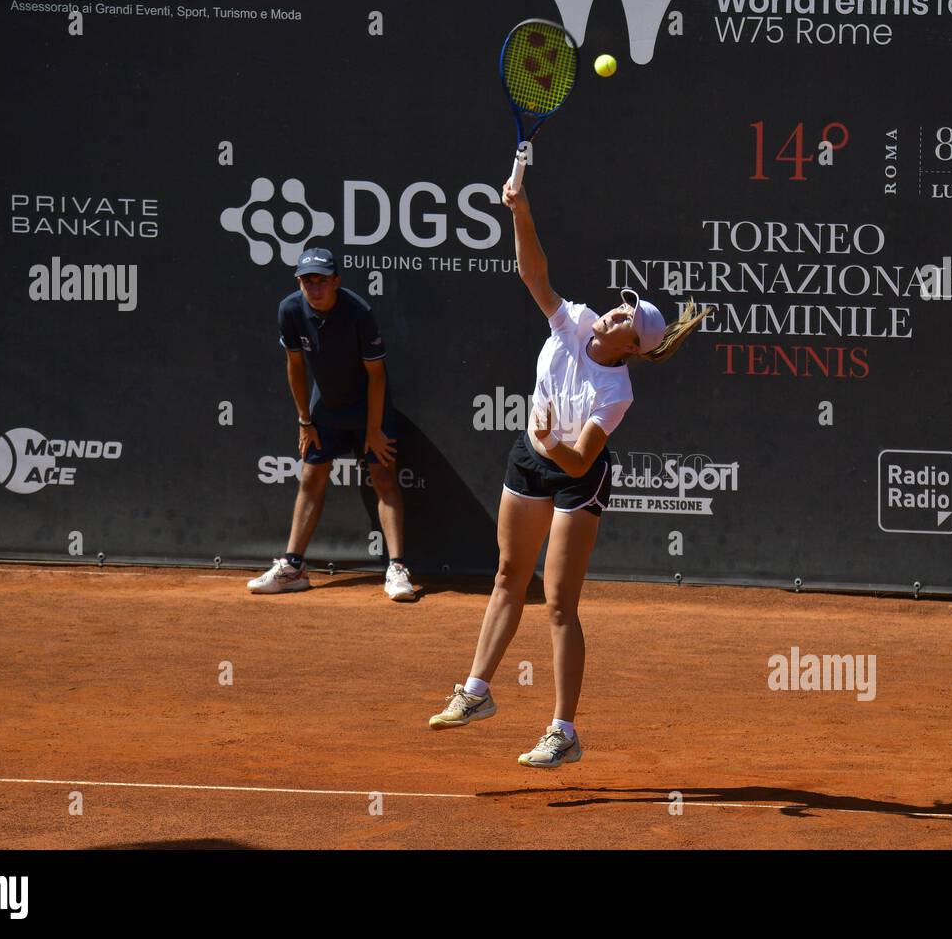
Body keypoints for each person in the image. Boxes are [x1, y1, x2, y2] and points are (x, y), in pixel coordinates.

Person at [427, 182, 704, 766]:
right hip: (530, 458)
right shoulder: (573, 325)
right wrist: (522, 210)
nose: (614, 310)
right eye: (619, 304)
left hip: (577, 474)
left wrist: (549, 438)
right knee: (508, 574)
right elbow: (535, 276)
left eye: (626, 315)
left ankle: (564, 731)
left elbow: (578, 459)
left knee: (558, 603)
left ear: (632, 345)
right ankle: (476, 693)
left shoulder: (616, 389)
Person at [247, 247, 415, 602]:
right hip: (326, 406)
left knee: (383, 475)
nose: (315, 287)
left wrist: (373, 429)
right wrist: (304, 420)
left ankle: (397, 568)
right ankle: (293, 567)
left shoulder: (359, 313)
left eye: (322, 280)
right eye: (307, 280)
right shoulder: (290, 310)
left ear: (336, 281)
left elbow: (377, 374)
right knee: (311, 477)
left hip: (370, 403)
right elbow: (295, 366)